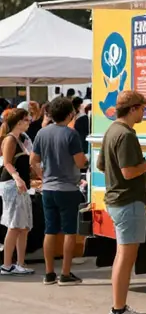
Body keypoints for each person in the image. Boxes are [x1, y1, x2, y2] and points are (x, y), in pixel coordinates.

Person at [97, 91, 146, 314]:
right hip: (128, 201)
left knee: (121, 256)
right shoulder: (125, 135)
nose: (144, 112)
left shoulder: (111, 131)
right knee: (126, 258)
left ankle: (120, 307)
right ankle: (118, 311)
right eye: (142, 109)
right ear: (133, 109)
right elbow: (129, 172)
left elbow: (101, 165)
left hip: (117, 200)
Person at [31, 96, 87, 286]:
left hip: (48, 188)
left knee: (50, 230)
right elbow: (80, 162)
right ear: (70, 113)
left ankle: (48, 273)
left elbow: (33, 160)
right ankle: (65, 273)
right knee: (70, 231)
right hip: (68, 188)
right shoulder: (71, 135)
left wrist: (43, 175)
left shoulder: (42, 133)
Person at [0, 108, 38, 275]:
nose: (29, 122)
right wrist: (17, 177)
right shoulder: (10, 139)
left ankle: (20, 263)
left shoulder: (20, 138)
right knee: (14, 225)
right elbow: (7, 162)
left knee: (23, 226)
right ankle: (7, 264)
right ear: (19, 122)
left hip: (20, 184)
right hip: (11, 184)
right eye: (27, 120)